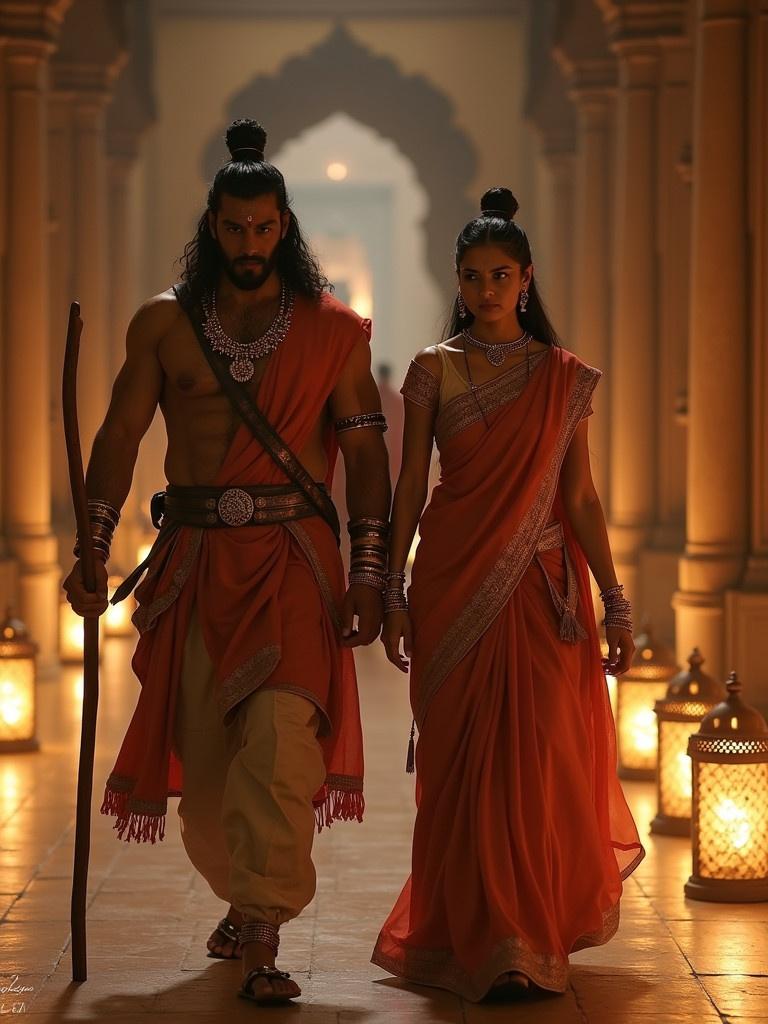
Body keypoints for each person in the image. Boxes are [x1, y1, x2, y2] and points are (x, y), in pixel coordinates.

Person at [63, 119, 391, 1006]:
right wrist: (91, 549)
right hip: (198, 563)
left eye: (265, 228)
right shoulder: (164, 325)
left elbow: (364, 455)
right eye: (235, 228)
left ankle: (263, 930)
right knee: (207, 785)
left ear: (285, 227)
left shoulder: (332, 332)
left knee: (282, 746)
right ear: (213, 225)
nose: (250, 244)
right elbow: (121, 435)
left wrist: (370, 571)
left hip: (294, 561)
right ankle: (240, 896)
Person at [372, 187, 644, 1001]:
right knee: (464, 770)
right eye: (471, 275)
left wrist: (616, 599)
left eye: (500, 274)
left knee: (544, 766)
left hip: (543, 596)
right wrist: (390, 588)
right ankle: (477, 935)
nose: (486, 289)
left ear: (526, 279)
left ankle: (524, 941)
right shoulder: (433, 370)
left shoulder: (564, 379)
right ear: (456, 281)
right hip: (453, 587)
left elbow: (582, 499)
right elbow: (410, 484)